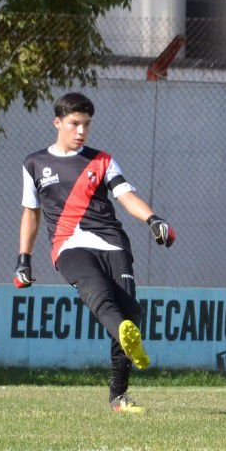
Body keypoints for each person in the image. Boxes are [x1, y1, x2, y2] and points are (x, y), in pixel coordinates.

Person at [15, 92, 176, 414]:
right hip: (69, 246)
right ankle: (124, 335)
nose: (81, 132)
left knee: (129, 313)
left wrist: (153, 219)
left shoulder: (102, 160)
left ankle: (119, 397)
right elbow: (30, 214)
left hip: (113, 242)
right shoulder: (35, 163)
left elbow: (126, 195)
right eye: (74, 124)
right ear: (57, 122)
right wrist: (24, 260)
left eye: (86, 125)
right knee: (100, 297)